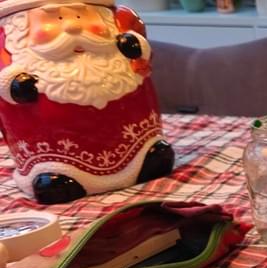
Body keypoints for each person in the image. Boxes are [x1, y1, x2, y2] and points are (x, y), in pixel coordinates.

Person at [0, 0, 173, 204]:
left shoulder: (119, 30)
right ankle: (55, 173)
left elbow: (141, 54)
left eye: (80, 16)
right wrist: (14, 85)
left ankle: (145, 156)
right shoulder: (10, 44)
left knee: (149, 152)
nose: (72, 26)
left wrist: (134, 47)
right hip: (55, 148)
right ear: (20, 28)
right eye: (57, 19)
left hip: (130, 137)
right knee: (57, 177)